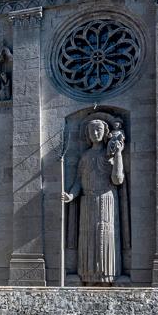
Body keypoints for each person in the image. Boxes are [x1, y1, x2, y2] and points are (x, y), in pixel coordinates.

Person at [63, 118, 124, 285]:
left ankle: (107, 276)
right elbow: (78, 181)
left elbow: (118, 179)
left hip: (106, 200)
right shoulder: (85, 156)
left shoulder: (110, 155)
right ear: (88, 134)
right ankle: (88, 276)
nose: (95, 133)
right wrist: (71, 195)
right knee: (87, 238)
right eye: (92, 130)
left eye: (98, 130)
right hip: (87, 202)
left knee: (105, 236)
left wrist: (118, 154)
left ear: (105, 132)